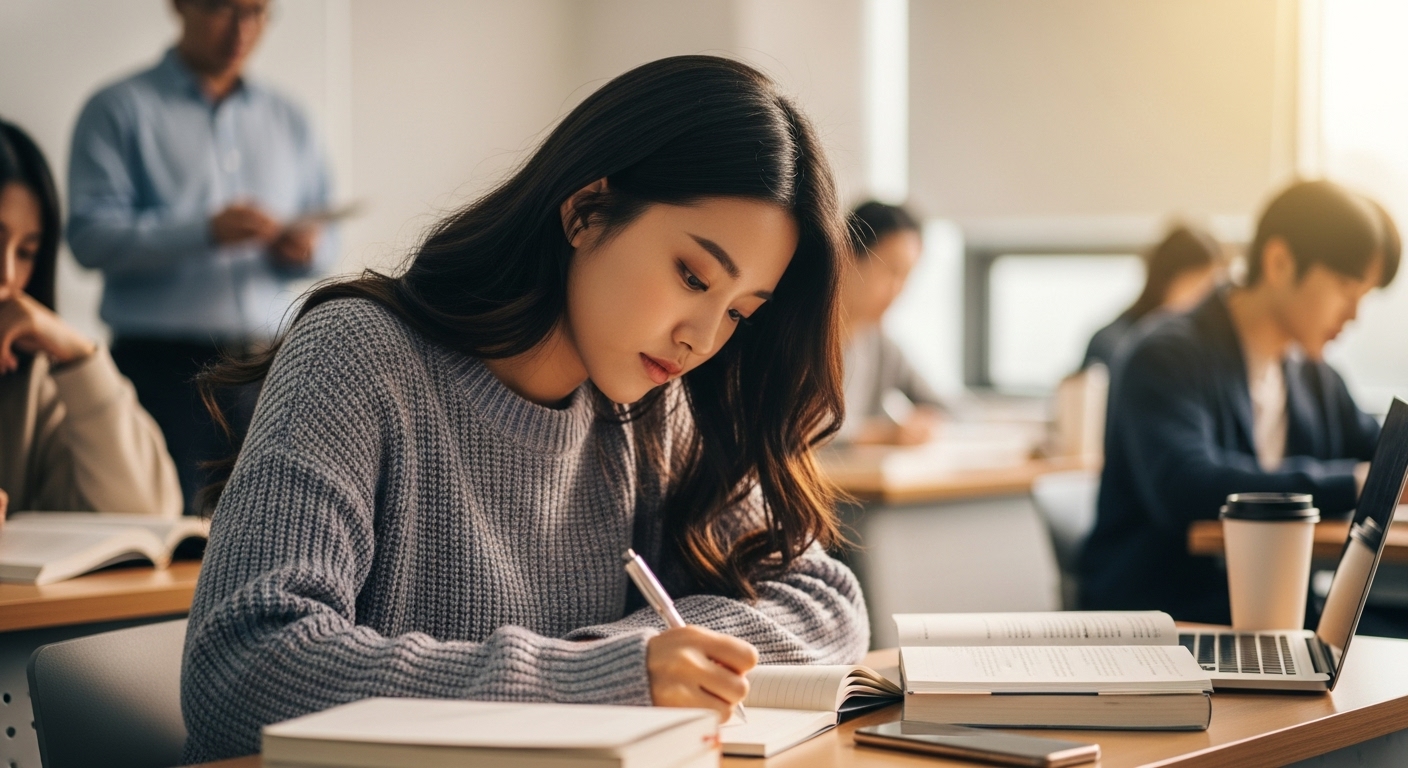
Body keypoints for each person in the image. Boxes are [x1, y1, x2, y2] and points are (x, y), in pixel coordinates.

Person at [179, 56, 870, 761]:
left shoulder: (654, 406)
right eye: (693, 276)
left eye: (739, 313)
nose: (702, 338)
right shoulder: (358, 355)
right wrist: (594, 679)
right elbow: (243, 673)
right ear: (586, 211)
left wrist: (627, 657)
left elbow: (828, 603)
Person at [1081, 180, 1404, 623]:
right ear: (1279, 262)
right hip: (1166, 619)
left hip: (1273, 617)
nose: (1353, 315)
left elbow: (1384, 451)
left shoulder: (1311, 375)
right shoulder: (1164, 354)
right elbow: (1189, 486)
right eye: (1346, 289)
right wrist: (1357, 483)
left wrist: (1385, 473)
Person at [66, 0, 338, 514]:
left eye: (257, 12)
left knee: (273, 527)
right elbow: (89, 237)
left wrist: (301, 249)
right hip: (161, 372)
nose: (241, 30)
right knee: (164, 538)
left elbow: (326, 240)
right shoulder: (118, 109)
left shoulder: (291, 119)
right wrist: (204, 231)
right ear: (178, 6)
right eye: (221, 8)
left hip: (269, 371)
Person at [0, 119, 181, 521]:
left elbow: (146, 515)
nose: (8, 275)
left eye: (26, 252)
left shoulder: (33, 380)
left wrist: (77, 354)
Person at [836, 201, 943, 445]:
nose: (898, 290)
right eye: (891, 271)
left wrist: (925, 421)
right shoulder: (800, 338)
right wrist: (881, 434)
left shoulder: (880, 344)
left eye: (906, 276)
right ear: (847, 257)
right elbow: (795, 433)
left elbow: (944, 405)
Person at [1082, 224, 1223, 369]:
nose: (1207, 299)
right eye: (1198, 287)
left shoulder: (1205, 345)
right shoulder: (1113, 341)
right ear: (1167, 280)